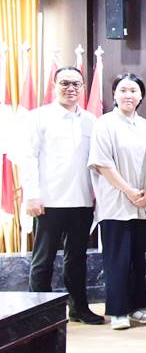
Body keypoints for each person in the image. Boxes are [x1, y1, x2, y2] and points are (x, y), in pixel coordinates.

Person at [21, 67, 104, 325]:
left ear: (82, 88)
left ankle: (79, 307)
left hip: (81, 200)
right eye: (65, 83)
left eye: (77, 84)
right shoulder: (39, 117)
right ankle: (40, 315)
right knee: (43, 260)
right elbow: (27, 158)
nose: (71, 89)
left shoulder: (91, 120)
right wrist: (32, 195)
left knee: (76, 259)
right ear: (54, 85)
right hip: (49, 201)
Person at [88, 73, 146, 330]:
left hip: (144, 203)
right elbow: (101, 163)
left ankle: (139, 306)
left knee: (142, 257)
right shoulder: (104, 124)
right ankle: (118, 310)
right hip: (116, 203)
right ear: (114, 95)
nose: (128, 95)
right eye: (123, 90)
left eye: (133, 90)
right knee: (117, 258)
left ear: (141, 96)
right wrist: (129, 191)